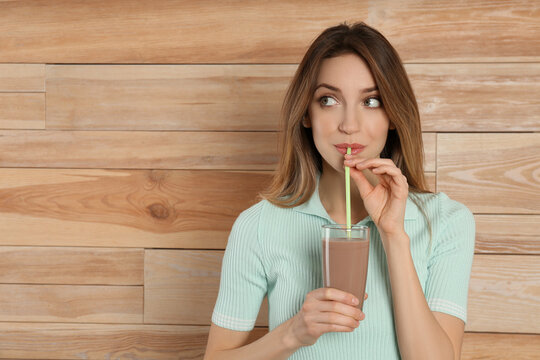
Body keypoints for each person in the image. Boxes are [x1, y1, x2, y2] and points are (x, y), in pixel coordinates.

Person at [204, 22, 475, 360]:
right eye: (329, 100)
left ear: (393, 114)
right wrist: (293, 333)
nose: (349, 124)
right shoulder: (258, 225)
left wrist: (393, 234)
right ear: (306, 113)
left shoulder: (447, 221)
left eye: (371, 101)